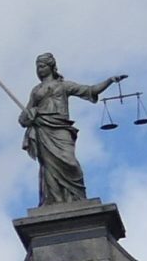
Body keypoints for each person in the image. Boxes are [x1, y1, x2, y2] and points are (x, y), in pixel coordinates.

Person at [17, 52, 127, 205]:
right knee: (49, 166)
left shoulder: (64, 85)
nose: (39, 70)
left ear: (51, 67)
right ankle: (56, 200)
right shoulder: (36, 91)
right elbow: (23, 118)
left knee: (70, 163)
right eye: (38, 67)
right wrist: (27, 116)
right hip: (43, 129)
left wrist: (109, 81)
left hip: (60, 127)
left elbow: (90, 90)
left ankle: (77, 197)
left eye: (42, 66)